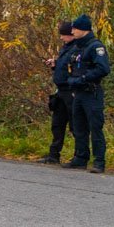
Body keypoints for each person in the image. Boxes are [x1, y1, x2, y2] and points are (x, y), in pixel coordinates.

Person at [63, 14, 111, 173]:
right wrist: (71, 80)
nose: (72, 30)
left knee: (95, 127)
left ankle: (99, 162)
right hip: (78, 93)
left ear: (83, 29)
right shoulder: (77, 47)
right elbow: (72, 66)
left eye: (75, 28)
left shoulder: (95, 46)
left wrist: (83, 79)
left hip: (91, 93)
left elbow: (103, 69)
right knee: (78, 127)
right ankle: (80, 158)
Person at [37, 21, 77, 164]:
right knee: (57, 124)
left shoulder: (77, 49)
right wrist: (55, 65)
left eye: (63, 35)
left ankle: (79, 156)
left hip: (71, 92)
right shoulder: (65, 49)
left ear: (71, 34)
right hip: (60, 91)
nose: (61, 38)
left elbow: (75, 70)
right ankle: (54, 155)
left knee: (75, 125)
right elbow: (64, 67)